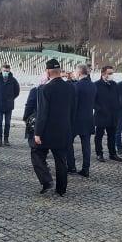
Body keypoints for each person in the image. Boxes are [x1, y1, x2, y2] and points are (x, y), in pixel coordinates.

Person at [32, 59, 76, 197]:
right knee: (61, 160)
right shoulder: (71, 87)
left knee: (37, 153)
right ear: (59, 71)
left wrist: (37, 133)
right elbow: (73, 110)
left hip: (47, 132)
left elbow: (42, 113)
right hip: (64, 129)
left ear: (47, 72)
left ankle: (46, 181)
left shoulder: (46, 88)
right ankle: (61, 189)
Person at [66, 64, 96, 177]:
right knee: (86, 146)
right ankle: (86, 169)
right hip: (88, 118)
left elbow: (73, 104)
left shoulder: (77, 86)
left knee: (68, 143)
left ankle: (71, 166)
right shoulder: (93, 85)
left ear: (79, 73)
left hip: (75, 120)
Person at [93, 66, 122, 163]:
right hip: (101, 115)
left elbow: (118, 98)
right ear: (103, 74)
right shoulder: (96, 85)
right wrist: (99, 109)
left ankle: (112, 153)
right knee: (99, 136)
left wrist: (117, 109)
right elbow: (92, 101)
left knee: (112, 136)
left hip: (113, 115)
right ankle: (99, 154)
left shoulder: (114, 84)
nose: (111, 75)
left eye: (112, 73)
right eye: (109, 73)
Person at [0, 64, 20, 147]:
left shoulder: (13, 80)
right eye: (4, 71)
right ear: (1, 70)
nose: (5, 72)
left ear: (9, 71)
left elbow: (17, 91)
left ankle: (6, 139)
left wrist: (11, 98)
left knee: (7, 123)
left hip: (9, 105)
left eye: (7, 71)